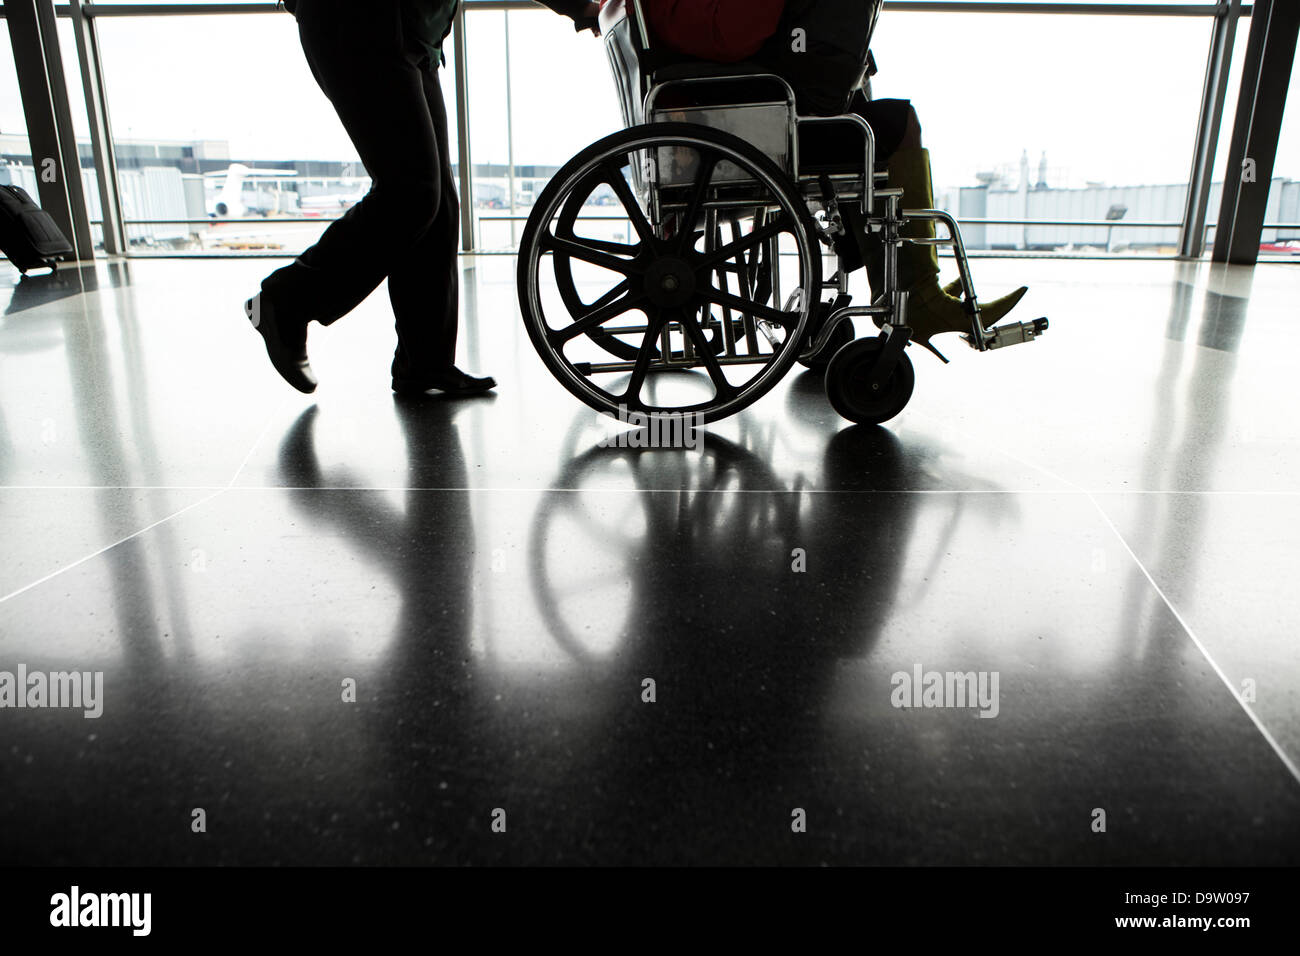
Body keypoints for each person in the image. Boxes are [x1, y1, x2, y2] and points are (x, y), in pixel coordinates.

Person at [622, 0, 1029, 359]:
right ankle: (917, 293)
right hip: (746, 123)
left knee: (867, 120)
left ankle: (912, 287)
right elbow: (734, 36)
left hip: (730, 116)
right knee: (895, 125)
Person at [246, 0, 600, 395]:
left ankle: (424, 362)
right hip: (360, 21)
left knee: (438, 205)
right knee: (411, 192)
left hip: (403, 31)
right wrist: (580, 6)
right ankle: (284, 301)